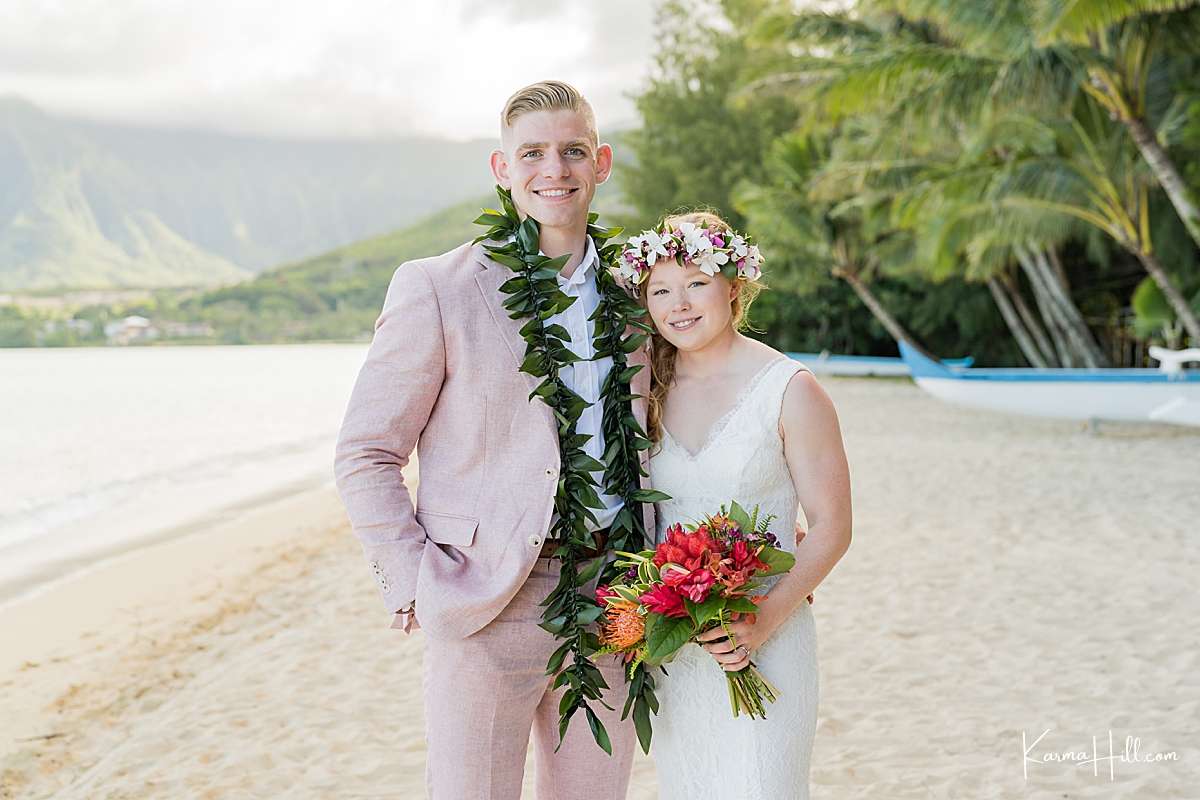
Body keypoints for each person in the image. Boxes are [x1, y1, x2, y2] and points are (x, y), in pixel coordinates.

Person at [334, 81, 649, 800]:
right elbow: (365, 451)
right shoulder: (436, 288)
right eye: (532, 152)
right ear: (502, 169)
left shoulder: (639, 298)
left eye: (573, 151)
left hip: (613, 598)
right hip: (482, 599)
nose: (554, 169)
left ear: (600, 163)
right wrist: (414, 577)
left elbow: (673, 428)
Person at [624, 211, 853, 799]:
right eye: (660, 290)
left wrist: (761, 621)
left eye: (696, 282)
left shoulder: (791, 389)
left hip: (769, 635)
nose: (679, 303)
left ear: (733, 284)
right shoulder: (645, 391)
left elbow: (832, 527)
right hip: (677, 645)